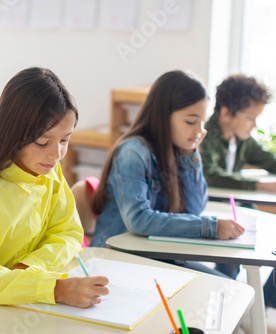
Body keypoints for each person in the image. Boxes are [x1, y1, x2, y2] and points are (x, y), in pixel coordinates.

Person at [0, 67, 109, 333]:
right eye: (42, 142)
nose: (56, 154)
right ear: (12, 134)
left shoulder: (49, 170)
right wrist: (54, 288)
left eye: (65, 139)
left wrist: (29, 267)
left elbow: (69, 233)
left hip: (22, 307)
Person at [89, 70, 244, 276]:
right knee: (225, 290)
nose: (200, 130)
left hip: (157, 256)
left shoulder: (177, 148)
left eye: (202, 122)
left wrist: (190, 156)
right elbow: (139, 220)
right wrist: (210, 227)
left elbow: (195, 208)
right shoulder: (133, 152)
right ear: (163, 116)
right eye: (191, 121)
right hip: (120, 261)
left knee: (230, 289)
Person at [200, 74, 276, 308]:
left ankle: (265, 303)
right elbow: (210, 174)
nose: (254, 125)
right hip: (211, 211)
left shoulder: (242, 139)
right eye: (250, 118)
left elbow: (268, 159)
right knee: (240, 240)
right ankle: (229, 297)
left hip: (236, 208)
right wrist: (259, 185)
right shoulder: (205, 136)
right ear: (226, 113)